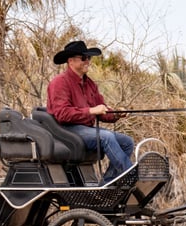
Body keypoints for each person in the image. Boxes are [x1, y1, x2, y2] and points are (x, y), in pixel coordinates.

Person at [47, 40, 134, 183]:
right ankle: (130, 175)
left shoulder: (90, 84)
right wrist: (91, 111)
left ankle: (108, 183)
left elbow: (102, 110)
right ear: (71, 61)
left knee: (127, 142)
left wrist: (117, 114)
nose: (87, 61)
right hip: (66, 130)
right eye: (83, 58)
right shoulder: (59, 82)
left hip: (85, 129)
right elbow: (62, 114)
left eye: (89, 58)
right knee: (106, 137)